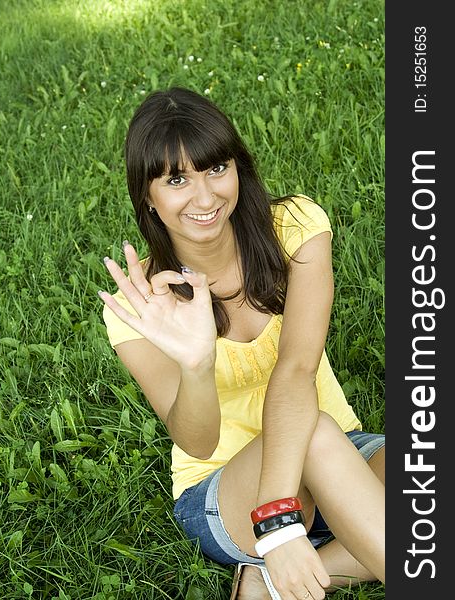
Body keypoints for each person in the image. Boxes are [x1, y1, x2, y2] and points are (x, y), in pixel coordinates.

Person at [99, 86, 385, 599]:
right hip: (224, 488)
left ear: (238, 168)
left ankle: (270, 578)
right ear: (147, 194)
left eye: (215, 169)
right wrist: (195, 363)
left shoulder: (295, 229)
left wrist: (278, 523)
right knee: (313, 431)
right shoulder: (140, 307)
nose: (205, 197)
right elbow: (197, 440)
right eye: (177, 179)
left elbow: (297, 369)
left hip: (341, 453)